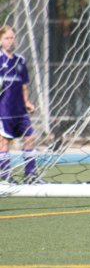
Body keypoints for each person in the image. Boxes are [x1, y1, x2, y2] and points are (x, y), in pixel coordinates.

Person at [0, 25, 39, 184]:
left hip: (20, 109)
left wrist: (27, 102)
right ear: (0, 40)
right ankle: (5, 174)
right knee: (4, 141)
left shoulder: (20, 60)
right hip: (4, 109)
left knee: (30, 137)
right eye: (6, 38)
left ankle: (30, 173)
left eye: (12, 38)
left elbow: (24, 85)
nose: (10, 41)